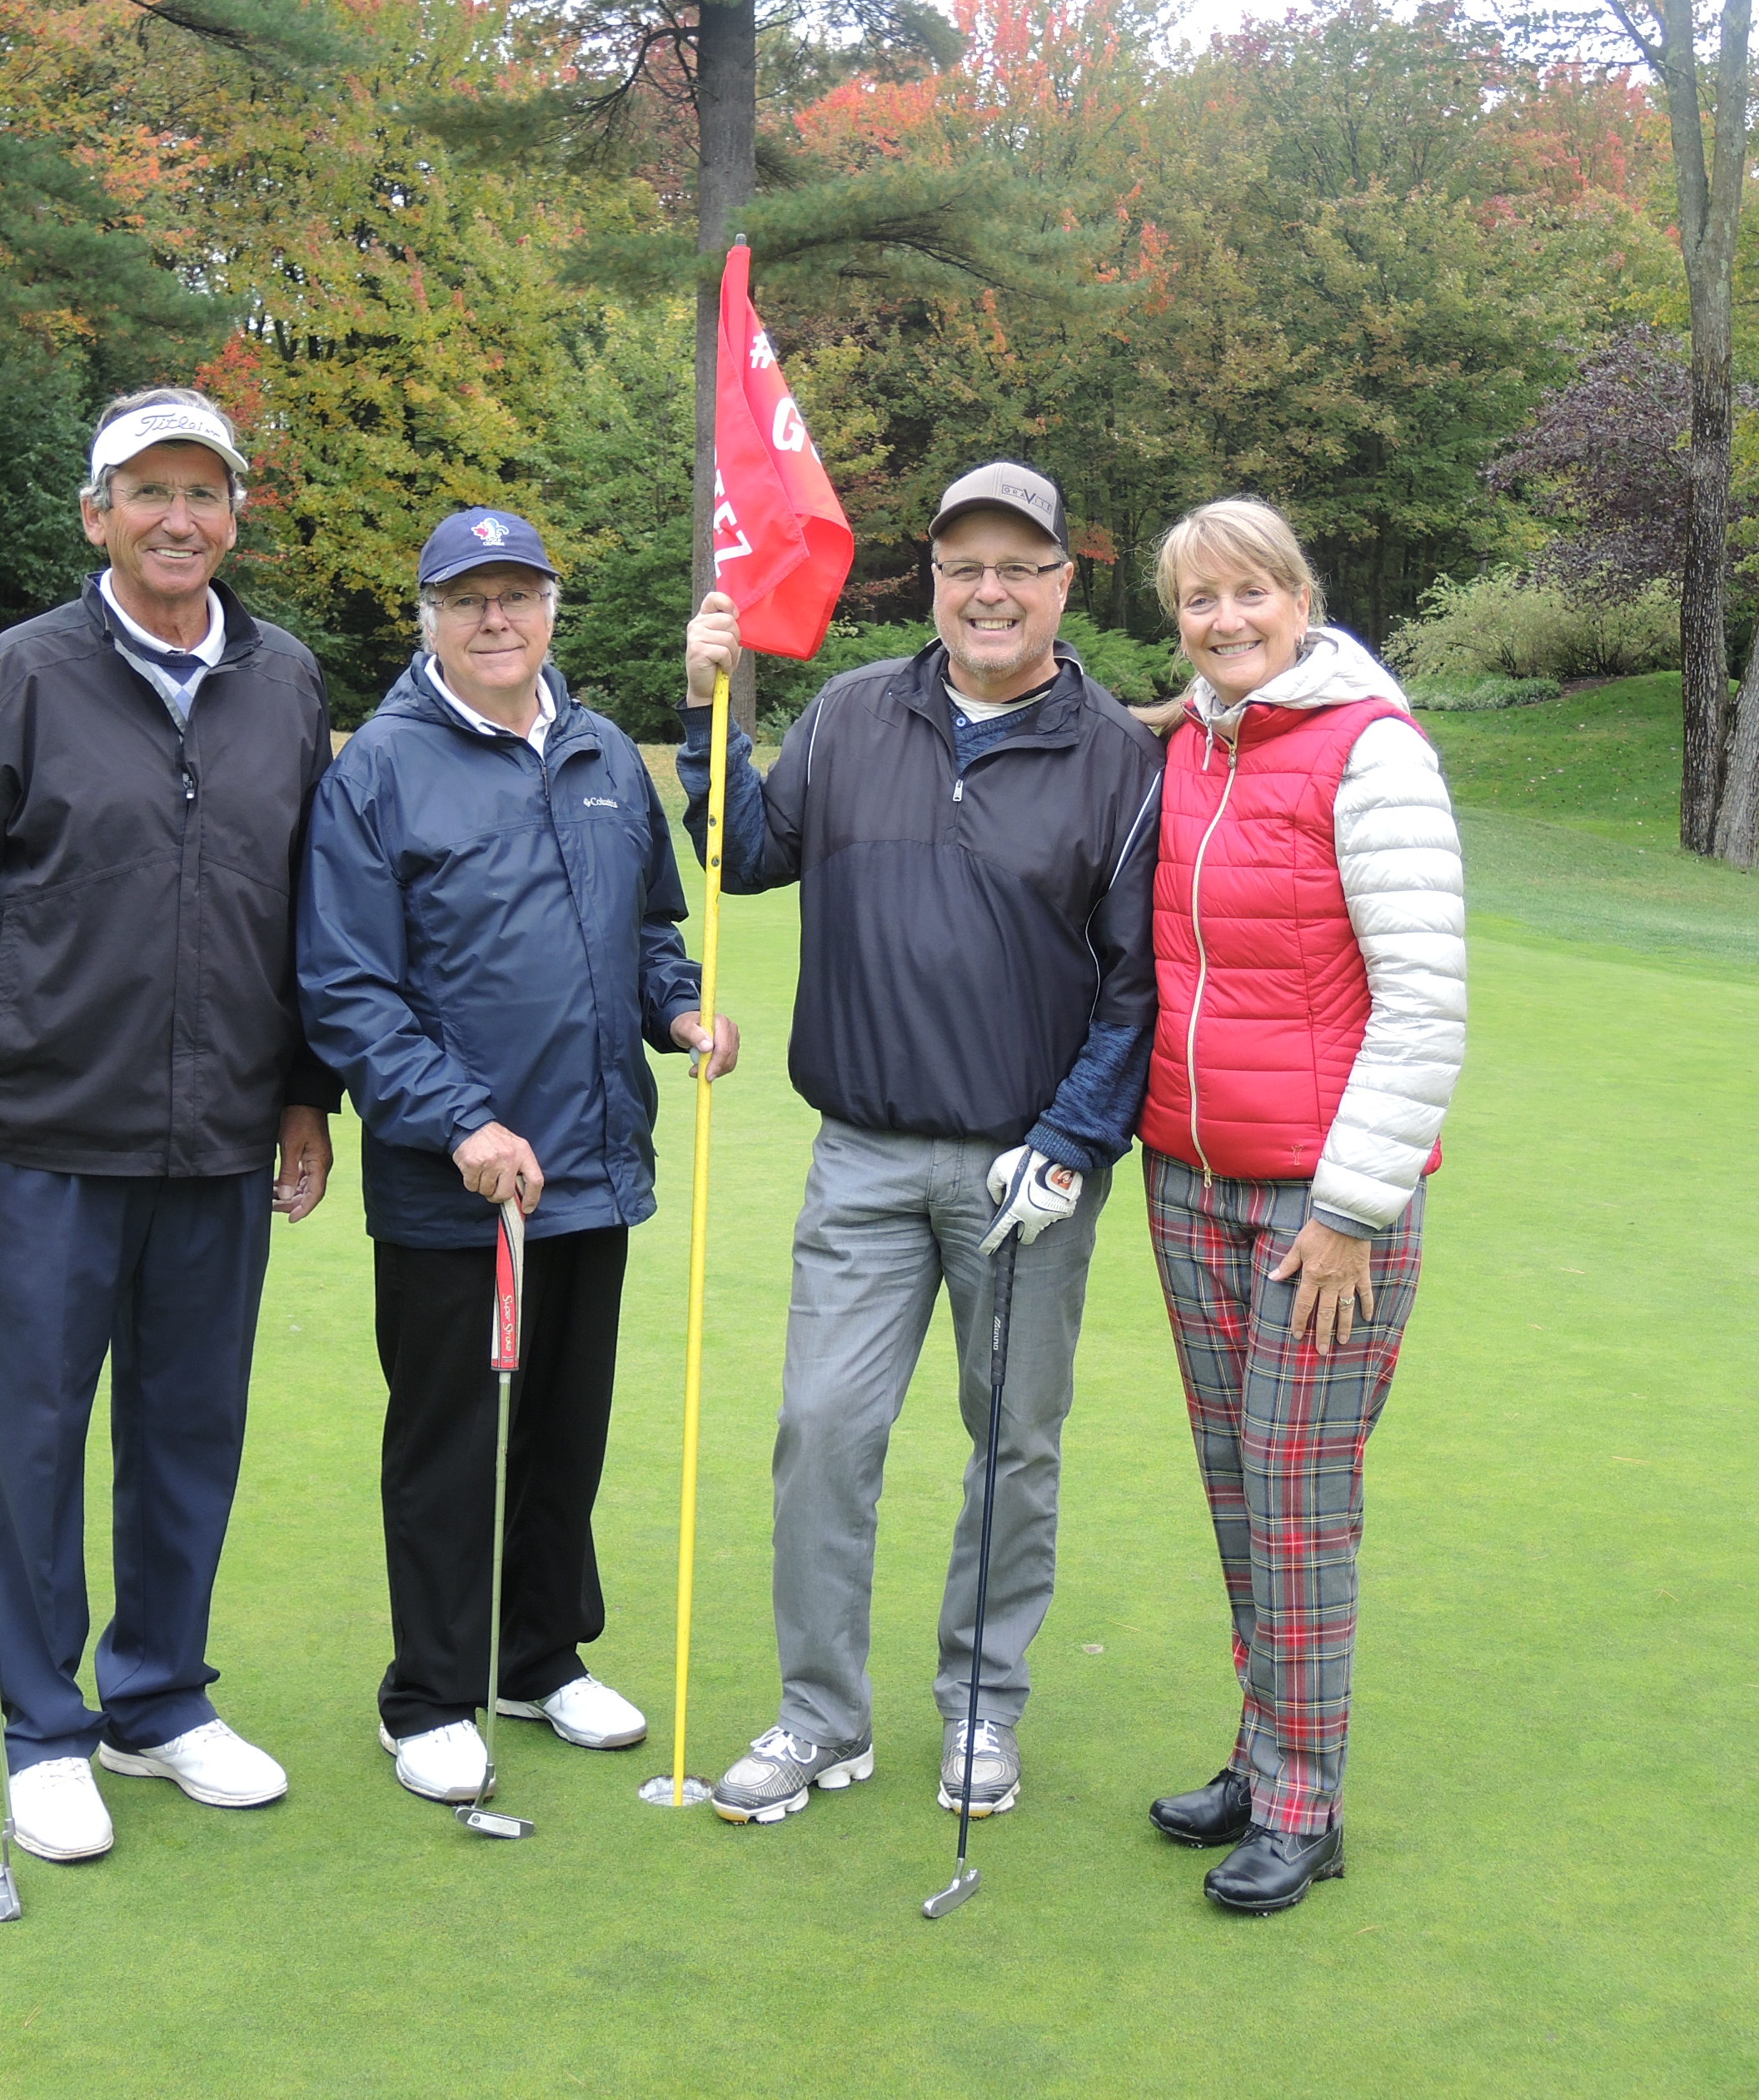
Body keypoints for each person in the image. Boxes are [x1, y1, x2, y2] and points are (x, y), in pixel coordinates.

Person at [0, 387, 336, 1866]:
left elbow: (319, 912)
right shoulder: (25, 674)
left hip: (217, 1146)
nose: (177, 517)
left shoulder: (288, 679)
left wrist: (309, 1090)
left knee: (191, 1434)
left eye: (204, 491)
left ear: (235, 514)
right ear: (97, 515)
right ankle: (44, 1730)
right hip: (48, 1141)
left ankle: (158, 1701)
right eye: (148, 493)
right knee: (35, 1440)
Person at [680, 461, 1164, 1828]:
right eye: (965, 567)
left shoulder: (1117, 756)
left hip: (1030, 1171)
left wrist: (1070, 1140)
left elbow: (1135, 987)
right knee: (822, 1431)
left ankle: (981, 1711)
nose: (990, 591)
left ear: (1065, 584)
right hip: (866, 1157)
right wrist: (703, 705)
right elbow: (739, 851)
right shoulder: (847, 715)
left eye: (1020, 567)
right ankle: (823, 1717)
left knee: (1012, 1442)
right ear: (934, 583)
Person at [299, 508, 739, 1807]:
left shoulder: (605, 750)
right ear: (427, 616)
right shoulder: (378, 769)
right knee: (450, 1439)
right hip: (462, 1183)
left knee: (563, 1429)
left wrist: (678, 1006)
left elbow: (654, 926)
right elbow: (348, 987)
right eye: (468, 598)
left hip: (592, 1167)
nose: (497, 620)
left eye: (519, 595)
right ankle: (428, 1695)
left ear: (553, 607)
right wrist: (459, 1122)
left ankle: (538, 1658)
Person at [1131, 500, 1464, 1916]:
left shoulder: (1372, 751)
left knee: (1298, 1501)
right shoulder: (1193, 743)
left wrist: (1352, 1207)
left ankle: (1306, 1806)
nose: (1225, 620)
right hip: (1187, 1177)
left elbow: (1425, 1003)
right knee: (1236, 1496)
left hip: (1320, 1207)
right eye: (1198, 601)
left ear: (1300, 595)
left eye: (1249, 592)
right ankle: (1263, 1758)